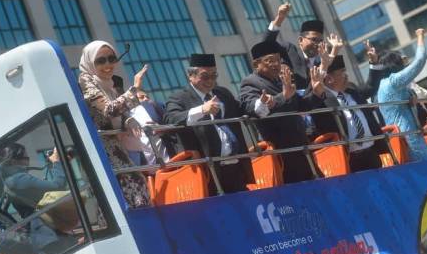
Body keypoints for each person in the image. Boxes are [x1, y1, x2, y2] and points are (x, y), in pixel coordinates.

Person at [163, 53, 253, 194]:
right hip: (208, 170)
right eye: (205, 76)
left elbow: (242, 110)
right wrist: (201, 110)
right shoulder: (179, 98)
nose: (210, 81)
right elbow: (172, 119)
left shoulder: (222, 93)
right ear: (190, 76)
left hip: (236, 166)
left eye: (214, 76)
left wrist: (262, 103)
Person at [240, 41, 325, 183]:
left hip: (301, 145)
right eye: (270, 61)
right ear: (256, 64)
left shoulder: (280, 81)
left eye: (278, 60)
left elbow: (301, 106)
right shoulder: (250, 83)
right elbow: (254, 110)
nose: (276, 64)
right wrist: (283, 96)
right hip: (280, 150)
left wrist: (317, 92)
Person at [78, 40, 150, 208]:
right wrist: (135, 88)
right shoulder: (85, 81)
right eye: (101, 61)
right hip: (101, 150)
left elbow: (120, 111)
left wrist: (129, 120)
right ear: (90, 62)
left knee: (136, 187)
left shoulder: (111, 83)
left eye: (112, 58)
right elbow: (109, 110)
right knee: (126, 194)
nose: (108, 64)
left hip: (115, 146)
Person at [310, 55, 389, 172]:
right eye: (342, 72)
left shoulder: (352, 91)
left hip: (371, 152)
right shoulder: (323, 101)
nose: (346, 75)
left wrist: (374, 63)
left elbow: (370, 88)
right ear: (329, 79)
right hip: (349, 158)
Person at [377, 29, 427, 162]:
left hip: (403, 137)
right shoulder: (394, 81)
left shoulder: (383, 84)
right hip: (409, 137)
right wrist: (420, 36)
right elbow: (420, 61)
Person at [266, 3, 343, 90]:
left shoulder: (320, 61)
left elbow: (327, 80)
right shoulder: (289, 51)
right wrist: (279, 19)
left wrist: (334, 50)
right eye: (313, 40)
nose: (317, 44)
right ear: (300, 40)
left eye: (320, 41)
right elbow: (266, 46)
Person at [128, 90, 172, 166]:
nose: (145, 99)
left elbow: (171, 125)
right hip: (145, 164)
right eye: (141, 97)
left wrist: (161, 128)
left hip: (168, 159)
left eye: (147, 97)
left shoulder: (156, 108)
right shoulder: (130, 115)